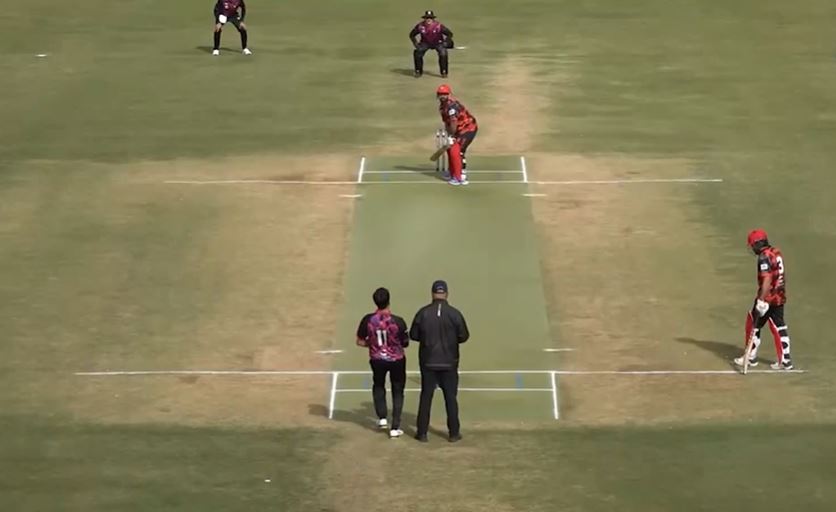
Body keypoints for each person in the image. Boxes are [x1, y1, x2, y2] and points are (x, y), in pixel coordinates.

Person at [409, 280, 470, 442]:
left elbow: (414, 335)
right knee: (450, 398)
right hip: (449, 363)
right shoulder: (454, 314)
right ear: (446, 294)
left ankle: (422, 433)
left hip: (428, 362)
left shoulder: (423, 313)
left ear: (432, 293)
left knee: (426, 397)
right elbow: (464, 336)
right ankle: (454, 433)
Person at [734, 229, 794, 370]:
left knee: (753, 324)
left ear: (757, 244)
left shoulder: (763, 257)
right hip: (779, 294)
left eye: (752, 245)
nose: (752, 248)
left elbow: (767, 279)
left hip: (768, 296)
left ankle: (750, 357)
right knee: (779, 326)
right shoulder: (776, 252)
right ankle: (786, 360)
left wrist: (761, 300)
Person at [356, 287, 410, 438]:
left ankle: (382, 418)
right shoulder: (398, 321)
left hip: (377, 359)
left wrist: (374, 345)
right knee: (398, 390)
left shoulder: (368, 320)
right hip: (397, 360)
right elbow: (405, 343)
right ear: (389, 301)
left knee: (378, 385)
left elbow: (359, 341)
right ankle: (395, 427)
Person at [436, 84, 478, 186]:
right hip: (459, 130)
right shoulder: (442, 107)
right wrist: (449, 135)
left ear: (448, 94)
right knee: (452, 148)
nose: (442, 96)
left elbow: (453, 123)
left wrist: (452, 135)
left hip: (468, 128)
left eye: (444, 94)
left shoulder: (452, 107)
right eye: (440, 94)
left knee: (458, 150)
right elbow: (447, 123)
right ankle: (453, 171)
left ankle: (460, 176)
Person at [409, 10, 454, 78]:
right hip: (425, 43)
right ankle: (418, 71)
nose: (428, 19)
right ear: (424, 19)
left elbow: (449, 34)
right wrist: (415, 44)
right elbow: (412, 35)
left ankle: (444, 72)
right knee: (417, 52)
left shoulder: (439, 26)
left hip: (438, 43)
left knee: (443, 53)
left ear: (433, 19)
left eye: (430, 18)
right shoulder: (420, 26)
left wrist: (445, 42)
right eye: (427, 18)